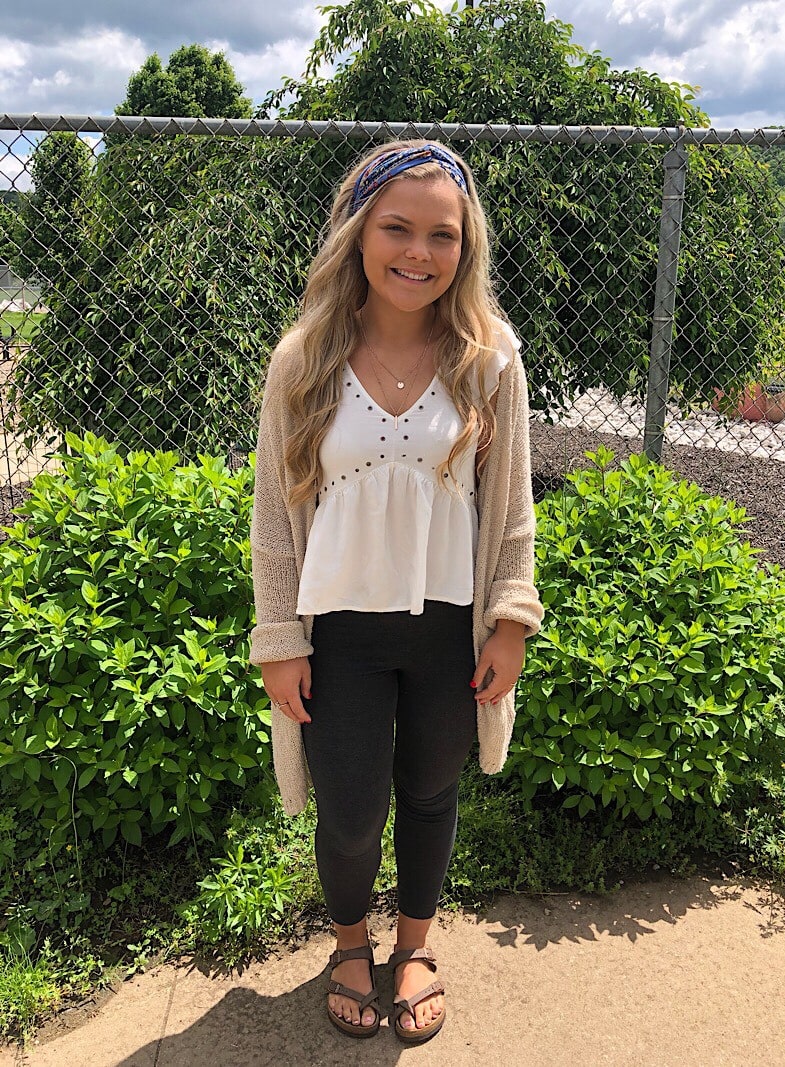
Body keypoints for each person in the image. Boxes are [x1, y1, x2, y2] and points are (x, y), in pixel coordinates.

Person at [248, 139, 544, 1044]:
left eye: (442, 235)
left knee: (427, 791)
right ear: (358, 232)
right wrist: (279, 636)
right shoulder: (303, 360)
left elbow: (513, 506)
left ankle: (414, 947)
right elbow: (271, 513)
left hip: (447, 625)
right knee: (347, 804)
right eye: (398, 228)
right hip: (337, 630)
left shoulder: (489, 360)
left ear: (467, 247)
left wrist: (509, 621)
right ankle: (348, 943)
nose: (420, 252)